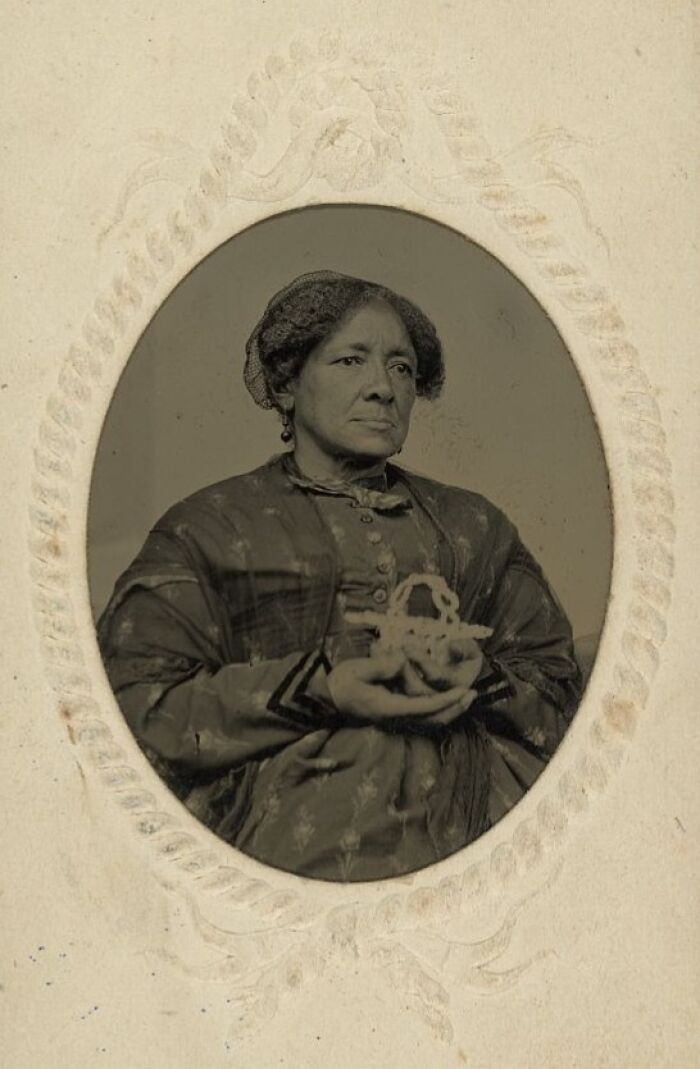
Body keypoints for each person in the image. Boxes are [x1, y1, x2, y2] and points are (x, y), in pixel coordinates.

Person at [97, 270, 582, 882]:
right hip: (284, 832)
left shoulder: (474, 526)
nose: (383, 388)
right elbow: (133, 707)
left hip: (478, 806)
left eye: (402, 368)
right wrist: (327, 685)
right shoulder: (210, 528)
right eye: (351, 360)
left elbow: (559, 686)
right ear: (286, 384)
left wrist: (478, 677)